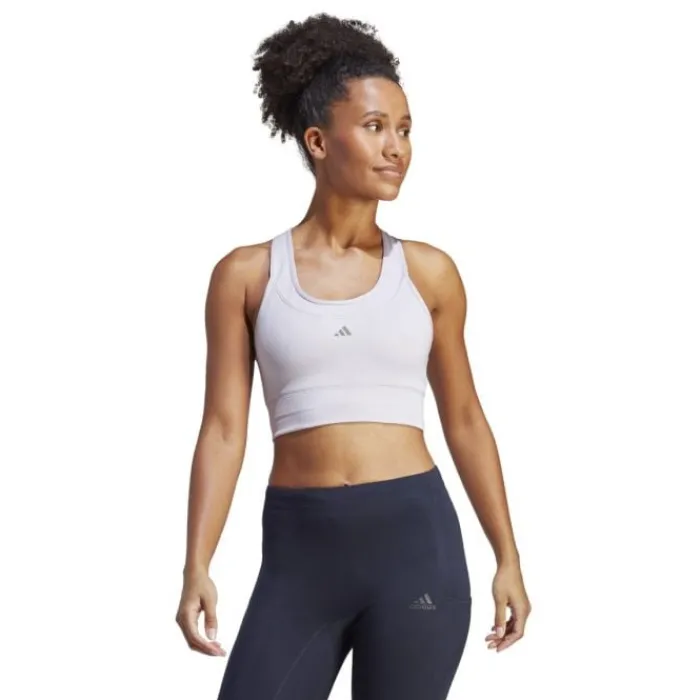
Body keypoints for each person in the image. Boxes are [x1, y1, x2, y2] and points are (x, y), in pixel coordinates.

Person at [175, 12, 531, 699]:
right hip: (298, 557)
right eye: (374, 127)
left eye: (405, 129)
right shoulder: (246, 275)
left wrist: (507, 556)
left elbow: (464, 419)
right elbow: (222, 429)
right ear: (317, 140)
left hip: (416, 552)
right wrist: (198, 563)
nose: (396, 147)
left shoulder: (428, 274)